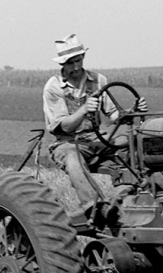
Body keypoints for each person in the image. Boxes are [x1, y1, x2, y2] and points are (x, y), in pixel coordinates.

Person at [42, 34, 148, 225]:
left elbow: (114, 114)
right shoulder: (54, 87)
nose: (76, 67)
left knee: (132, 145)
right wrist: (84, 109)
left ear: (83, 57)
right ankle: (94, 208)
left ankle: (130, 196)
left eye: (79, 60)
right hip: (68, 142)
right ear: (62, 64)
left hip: (96, 138)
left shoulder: (98, 80)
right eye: (70, 63)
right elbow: (64, 125)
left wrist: (132, 111)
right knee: (73, 158)